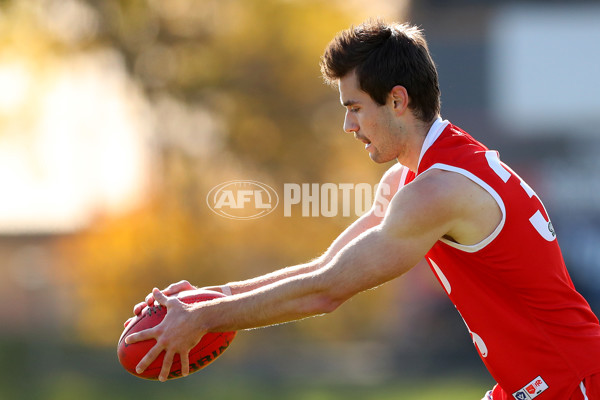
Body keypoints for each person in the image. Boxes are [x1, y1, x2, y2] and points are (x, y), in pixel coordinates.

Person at [125, 20, 600, 399]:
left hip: (570, 383)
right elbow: (325, 267)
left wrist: (206, 319)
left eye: (354, 108)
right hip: (541, 381)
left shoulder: (438, 191)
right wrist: (208, 298)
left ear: (397, 100)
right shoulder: (414, 178)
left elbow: (326, 292)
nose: (348, 125)